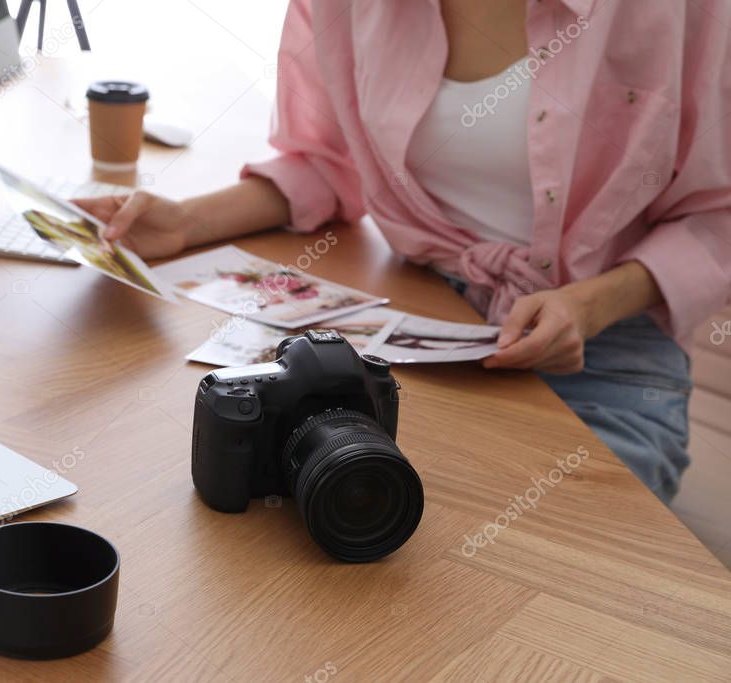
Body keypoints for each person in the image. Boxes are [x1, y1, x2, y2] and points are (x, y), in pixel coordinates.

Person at [74, 0, 731, 503]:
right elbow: (328, 162)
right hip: (422, 323)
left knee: (567, 570)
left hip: (604, 353)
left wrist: (586, 305)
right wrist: (185, 222)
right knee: (338, 530)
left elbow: (717, 214)